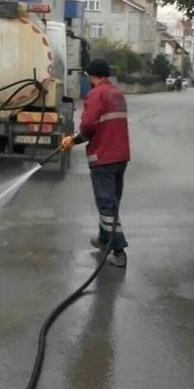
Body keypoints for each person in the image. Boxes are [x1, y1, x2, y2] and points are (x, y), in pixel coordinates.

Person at [60, 59, 130, 268]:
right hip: (120, 156)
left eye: (89, 76)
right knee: (111, 200)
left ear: (93, 76)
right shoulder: (117, 94)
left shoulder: (96, 94)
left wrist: (73, 140)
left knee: (106, 203)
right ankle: (103, 239)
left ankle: (118, 251)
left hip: (104, 157)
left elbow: (89, 125)